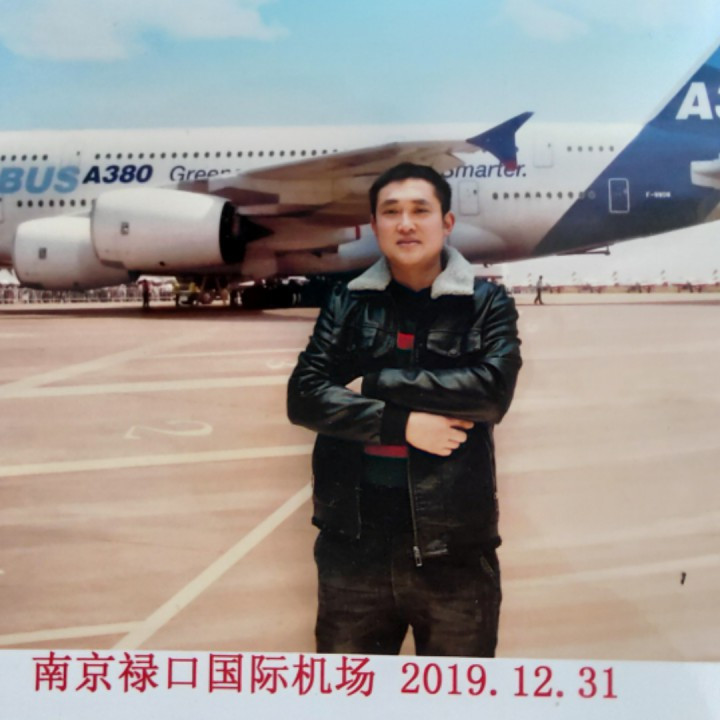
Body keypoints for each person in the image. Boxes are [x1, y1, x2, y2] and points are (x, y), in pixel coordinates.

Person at [287, 162, 522, 657]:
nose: (406, 224)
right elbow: (305, 395)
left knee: (458, 694)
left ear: (447, 222)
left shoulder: (486, 304)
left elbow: (491, 391)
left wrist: (375, 382)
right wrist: (401, 424)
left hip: (453, 547)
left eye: (420, 210)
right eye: (391, 212)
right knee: (351, 692)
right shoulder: (346, 303)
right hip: (353, 547)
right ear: (374, 226)